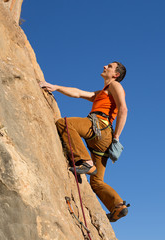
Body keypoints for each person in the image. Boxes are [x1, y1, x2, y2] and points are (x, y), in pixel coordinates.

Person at [40, 61, 129, 222]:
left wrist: (117, 136)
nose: (104, 66)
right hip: (102, 140)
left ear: (116, 74)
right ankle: (118, 207)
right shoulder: (102, 93)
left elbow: (124, 108)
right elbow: (78, 93)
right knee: (96, 182)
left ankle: (86, 162)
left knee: (65, 123)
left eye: (109, 66)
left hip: (99, 127)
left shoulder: (115, 85)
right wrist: (56, 87)